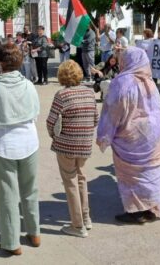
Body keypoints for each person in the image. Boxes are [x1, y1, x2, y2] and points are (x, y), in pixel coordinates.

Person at [0, 43, 41, 255]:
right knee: (30, 189)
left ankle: (11, 241)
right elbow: (35, 113)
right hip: (29, 140)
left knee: (7, 194)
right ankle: (34, 232)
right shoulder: (29, 85)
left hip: (4, 143)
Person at [96, 47, 160, 223]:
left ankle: (136, 211)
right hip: (154, 135)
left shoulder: (121, 82)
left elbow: (112, 111)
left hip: (132, 136)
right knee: (151, 171)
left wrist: (104, 134)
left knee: (133, 175)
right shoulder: (150, 81)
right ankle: (150, 207)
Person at [46, 60, 98, 237]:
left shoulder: (62, 95)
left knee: (70, 182)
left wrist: (54, 136)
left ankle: (77, 226)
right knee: (82, 178)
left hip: (66, 144)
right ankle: (86, 217)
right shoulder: (89, 92)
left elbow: (51, 121)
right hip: (84, 143)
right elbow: (95, 119)